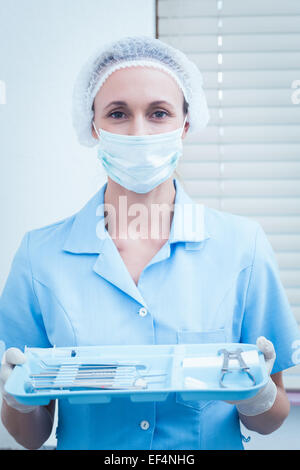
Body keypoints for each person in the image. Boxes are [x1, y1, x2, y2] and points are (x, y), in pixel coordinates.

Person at [0, 35, 299, 451]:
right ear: (93, 127)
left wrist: (258, 396)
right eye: (118, 113)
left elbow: (272, 419)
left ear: (185, 126)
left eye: (159, 113)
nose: (139, 132)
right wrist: (16, 400)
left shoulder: (242, 247)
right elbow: (31, 437)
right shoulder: (40, 257)